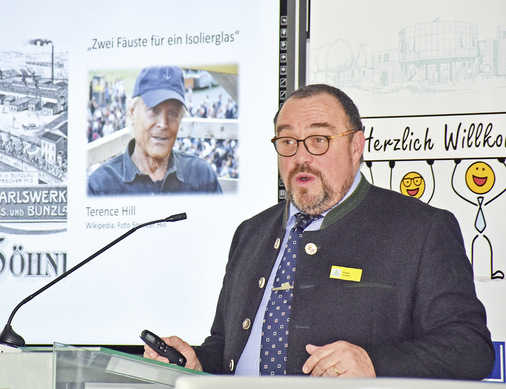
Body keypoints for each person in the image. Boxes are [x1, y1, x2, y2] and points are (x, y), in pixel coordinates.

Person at [144, 84, 494, 379]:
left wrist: (374, 364)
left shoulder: (421, 229)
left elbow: (470, 348)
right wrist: (197, 362)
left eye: (319, 140)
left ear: (356, 146)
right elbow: (226, 346)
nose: (301, 157)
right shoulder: (250, 233)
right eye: (288, 142)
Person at [88, 66, 222, 195]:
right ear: (132, 112)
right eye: (153, 110)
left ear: (180, 119)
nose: (163, 124)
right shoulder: (100, 187)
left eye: (172, 113)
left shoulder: (203, 179)